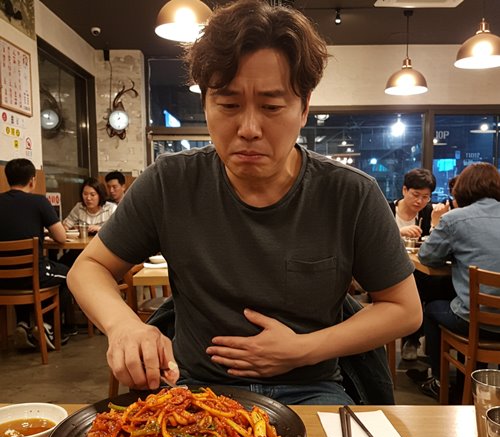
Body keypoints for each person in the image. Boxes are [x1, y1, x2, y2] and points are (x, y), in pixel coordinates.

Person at [67, 0, 421, 405]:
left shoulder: (350, 193)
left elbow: (404, 309)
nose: (249, 128)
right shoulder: (171, 182)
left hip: (311, 388)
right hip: (198, 389)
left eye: (271, 106)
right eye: (229, 105)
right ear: (205, 104)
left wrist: (302, 349)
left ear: (304, 107)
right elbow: (88, 268)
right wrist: (124, 325)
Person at [417, 162, 500, 400]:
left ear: (463, 188)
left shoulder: (455, 219)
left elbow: (427, 256)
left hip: (476, 322)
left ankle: (439, 381)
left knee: (433, 309)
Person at [0, 158, 76, 349]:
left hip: (3, 279)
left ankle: (23, 324)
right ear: (32, 180)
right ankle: (46, 327)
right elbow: (61, 237)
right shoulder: (38, 201)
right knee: (71, 276)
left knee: (21, 272)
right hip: (34, 275)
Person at [388, 168, 452, 361]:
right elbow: (372, 240)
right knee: (416, 283)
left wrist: (435, 224)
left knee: (441, 285)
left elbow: (434, 248)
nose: (420, 201)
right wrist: (398, 232)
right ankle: (414, 339)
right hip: (389, 269)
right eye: (415, 195)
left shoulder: (429, 212)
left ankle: (430, 344)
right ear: (404, 190)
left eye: (425, 197)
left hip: (419, 269)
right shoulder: (387, 210)